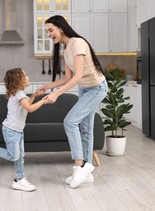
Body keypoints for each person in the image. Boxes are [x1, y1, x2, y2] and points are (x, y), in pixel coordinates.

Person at [36, 15, 108, 189]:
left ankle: (79, 167)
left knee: (70, 121)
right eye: (47, 31)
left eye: (50, 30)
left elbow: (77, 77)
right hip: (85, 89)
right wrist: (48, 87)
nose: (49, 34)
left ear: (61, 27)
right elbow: (66, 78)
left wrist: (57, 94)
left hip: (97, 88)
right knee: (86, 129)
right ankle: (87, 172)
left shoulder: (78, 43)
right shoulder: (66, 48)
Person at [0, 68, 45, 192]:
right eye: (26, 75)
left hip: (17, 130)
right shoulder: (19, 94)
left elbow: (26, 106)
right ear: (19, 80)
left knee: (20, 157)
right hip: (11, 130)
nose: (28, 77)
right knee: (14, 156)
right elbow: (29, 108)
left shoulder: (20, 94)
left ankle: (19, 179)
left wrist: (34, 96)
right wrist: (43, 101)